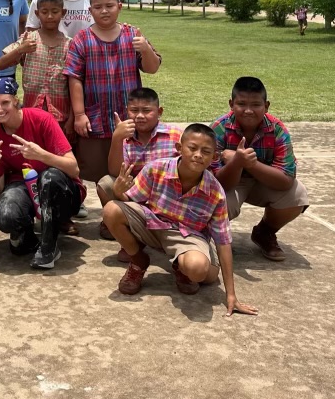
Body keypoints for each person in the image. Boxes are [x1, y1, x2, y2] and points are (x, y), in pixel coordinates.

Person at [101, 123, 258, 316]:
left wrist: (231, 295)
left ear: (214, 158)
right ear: (179, 148)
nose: (198, 154)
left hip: (187, 237)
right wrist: (118, 192)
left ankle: (181, 267)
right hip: (153, 224)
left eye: (206, 151)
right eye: (192, 148)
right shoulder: (156, 169)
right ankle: (139, 261)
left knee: (200, 271)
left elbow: (223, 242)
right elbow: (130, 202)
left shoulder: (215, 193)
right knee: (111, 210)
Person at [65, 0, 162, 184]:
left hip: (130, 117)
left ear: (120, 6)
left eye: (109, 5)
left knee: (130, 167)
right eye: (98, 7)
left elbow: (152, 68)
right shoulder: (81, 39)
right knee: (95, 170)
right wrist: (80, 114)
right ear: (90, 10)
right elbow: (74, 78)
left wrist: (145, 49)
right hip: (96, 116)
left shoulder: (133, 35)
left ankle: (128, 207)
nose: (104, 11)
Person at [0, 79, 85, 269]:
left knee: (49, 177)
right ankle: (28, 236)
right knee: (5, 216)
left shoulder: (41, 119)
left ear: (16, 100)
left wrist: (42, 155)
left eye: (5, 102)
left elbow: (74, 168)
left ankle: (49, 246)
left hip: (62, 191)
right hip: (26, 189)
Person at [210, 76, 310, 261]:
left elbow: (286, 180)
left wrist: (249, 163)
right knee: (216, 201)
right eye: (241, 104)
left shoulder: (277, 129)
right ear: (231, 104)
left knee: (297, 195)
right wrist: (236, 164)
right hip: (231, 183)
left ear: (266, 106)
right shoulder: (219, 129)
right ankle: (210, 236)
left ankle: (264, 232)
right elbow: (216, 182)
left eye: (256, 104)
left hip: (264, 180)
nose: (248, 110)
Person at [97, 88, 181, 243]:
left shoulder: (176, 135)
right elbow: (116, 172)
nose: (140, 116)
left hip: (168, 198)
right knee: (106, 183)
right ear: (127, 111)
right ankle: (124, 230)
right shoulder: (125, 137)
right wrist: (117, 138)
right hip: (136, 196)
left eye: (147, 111)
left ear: (159, 111)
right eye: (134, 111)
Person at [0, 0, 72, 134]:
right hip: (31, 113)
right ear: (37, 14)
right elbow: (0, 64)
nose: (49, 16)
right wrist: (20, 50)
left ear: (63, 13)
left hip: (60, 116)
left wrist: (72, 119)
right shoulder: (28, 40)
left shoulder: (70, 45)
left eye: (55, 12)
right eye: (44, 12)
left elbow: (75, 85)